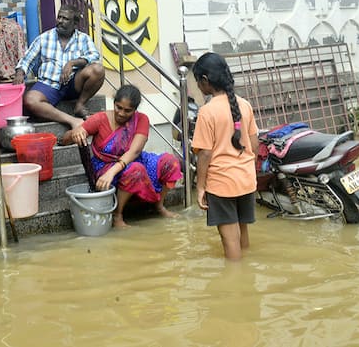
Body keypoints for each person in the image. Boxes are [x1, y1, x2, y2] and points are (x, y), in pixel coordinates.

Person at [62, 84, 183, 228]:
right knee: (135, 170)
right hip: (105, 165)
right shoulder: (100, 119)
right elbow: (64, 140)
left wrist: (112, 172)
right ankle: (117, 215)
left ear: (135, 110)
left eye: (127, 110)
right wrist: (74, 133)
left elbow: (135, 151)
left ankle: (159, 206)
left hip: (132, 160)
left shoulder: (141, 119)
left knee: (171, 162)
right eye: (118, 107)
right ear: (114, 103)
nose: (121, 113)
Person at [191, 52, 259, 261]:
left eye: (198, 82)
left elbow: (205, 153)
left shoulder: (207, 111)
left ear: (205, 80)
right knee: (242, 234)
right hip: (246, 180)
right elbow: (254, 144)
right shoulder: (244, 104)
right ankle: (247, 273)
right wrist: (246, 169)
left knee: (230, 240)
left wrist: (201, 187)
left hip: (222, 184)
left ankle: (235, 284)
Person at [13, 4, 105, 128]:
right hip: (48, 85)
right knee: (30, 100)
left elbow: (94, 55)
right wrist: (20, 73)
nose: (60, 21)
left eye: (65, 19)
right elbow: (27, 59)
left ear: (75, 23)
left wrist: (72, 63)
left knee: (98, 69)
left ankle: (80, 105)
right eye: (59, 17)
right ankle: (72, 120)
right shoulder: (44, 38)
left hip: (73, 83)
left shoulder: (83, 39)